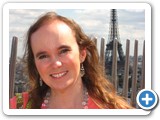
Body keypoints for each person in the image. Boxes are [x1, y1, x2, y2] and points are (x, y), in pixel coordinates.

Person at [11, 11, 133, 109]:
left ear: (82, 54)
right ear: (35, 64)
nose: (56, 64)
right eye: (43, 56)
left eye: (63, 51)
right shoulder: (16, 107)